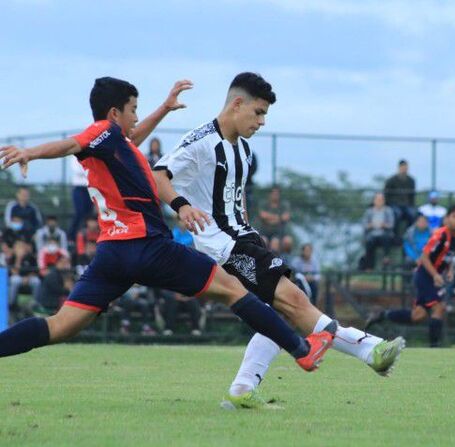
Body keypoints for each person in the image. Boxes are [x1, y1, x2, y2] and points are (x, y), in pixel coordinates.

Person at [0, 76, 333, 374]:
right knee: (233, 288)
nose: (135, 116)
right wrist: (29, 152)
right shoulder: (101, 133)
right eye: (133, 109)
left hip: (112, 253)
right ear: (115, 114)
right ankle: (303, 350)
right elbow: (72, 143)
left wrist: (164, 108)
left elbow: (132, 137)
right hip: (146, 246)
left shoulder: (115, 146)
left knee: (61, 326)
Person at [152, 72, 404, 410]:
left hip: (244, 237)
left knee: (285, 306)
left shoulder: (243, 150)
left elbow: (231, 198)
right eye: (258, 112)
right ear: (236, 104)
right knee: (293, 299)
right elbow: (157, 175)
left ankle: (243, 387)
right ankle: (369, 348)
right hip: (225, 247)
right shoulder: (201, 140)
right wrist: (181, 207)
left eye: (265, 115)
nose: (262, 121)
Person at [365, 205, 455, 347]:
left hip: (433, 276)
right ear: (447, 219)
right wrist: (436, 275)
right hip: (424, 276)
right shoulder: (439, 235)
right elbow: (424, 258)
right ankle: (434, 347)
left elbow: (449, 256)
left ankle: (382, 315)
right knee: (439, 307)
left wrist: (450, 270)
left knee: (418, 316)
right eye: (454, 216)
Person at [361, 192, 395, 270]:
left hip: (384, 233)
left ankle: (386, 259)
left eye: (381, 199)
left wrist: (384, 225)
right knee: (369, 241)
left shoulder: (388, 210)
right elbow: (364, 225)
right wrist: (371, 225)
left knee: (386, 238)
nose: (379, 201)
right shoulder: (369, 211)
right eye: (378, 199)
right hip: (372, 234)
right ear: (374, 200)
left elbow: (391, 225)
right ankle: (369, 267)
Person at [384, 159, 417, 235]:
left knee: (412, 214)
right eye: (403, 167)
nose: (404, 169)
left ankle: (409, 234)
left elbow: (412, 196)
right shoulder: (391, 180)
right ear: (399, 168)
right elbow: (386, 194)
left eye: (406, 167)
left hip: (407, 205)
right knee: (397, 213)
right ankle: (395, 235)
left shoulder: (411, 180)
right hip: (394, 204)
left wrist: (412, 206)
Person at [68, 156, 94, 240]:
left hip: (90, 186)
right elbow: (77, 170)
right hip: (78, 187)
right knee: (79, 212)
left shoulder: (92, 152)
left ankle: (86, 237)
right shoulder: (75, 154)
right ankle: (72, 236)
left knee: (88, 213)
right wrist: (89, 169)